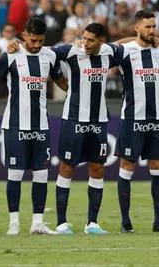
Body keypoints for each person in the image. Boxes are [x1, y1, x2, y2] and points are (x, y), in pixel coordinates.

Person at [0, 16, 66, 235]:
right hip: (15, 124)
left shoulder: (50, 56)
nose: (37, 45)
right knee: (15, 174)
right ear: (24, 36)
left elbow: (63, 83)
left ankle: (37, 223)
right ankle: (14, 223)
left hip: (41, 125)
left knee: (41, 175)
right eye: (33, 41)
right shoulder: (10, 55)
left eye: (41, 41)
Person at [114, 9, 159, 233]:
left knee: (158, 167)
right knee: (127, 167)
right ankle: (125, 222)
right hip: (132, 118)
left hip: (155, 119)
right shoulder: (126, 50)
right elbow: (107, 48)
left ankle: (158, 221)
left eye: (154, 26)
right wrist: (131, 39)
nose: (152, 30)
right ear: (137, 28)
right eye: (147, 26)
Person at [51, 22, 117, 235]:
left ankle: (92, 223)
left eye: (91, 40)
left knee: (97, 169)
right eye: (84, 38)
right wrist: (61, 81)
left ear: (101, 41)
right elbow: (45, 54)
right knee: (66, 168)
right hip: (74, 119)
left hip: (98, 120)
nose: (86, 43)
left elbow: (127, 45)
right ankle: (61, 223)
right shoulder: (71, 51)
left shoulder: (109, 52)